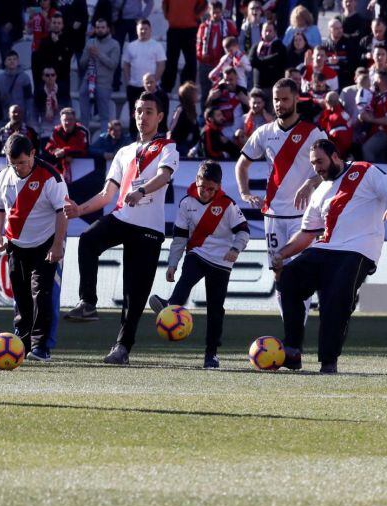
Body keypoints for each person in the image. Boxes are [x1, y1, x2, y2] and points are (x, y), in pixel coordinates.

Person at [63, 92, 178, 366]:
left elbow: (164, 177)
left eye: (149, 111)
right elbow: (106, 195)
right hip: (123, 217)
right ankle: (88, 302)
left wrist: (141, 191)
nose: (142, 116)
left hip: (148, 227)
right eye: (139, 110)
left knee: (134, 295)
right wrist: (79, 210)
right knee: (88, 240)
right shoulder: (124, 152)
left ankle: (122, 348)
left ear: (160, 116)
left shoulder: (167, 147)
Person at [272, 139, 387, 374]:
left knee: (335, 300)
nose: (316, 168)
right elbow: (307, 234)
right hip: (325, 248)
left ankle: (328, 362)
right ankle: (292, 351)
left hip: (358, 250)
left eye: (320, 162)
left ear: (335, 156)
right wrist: (281, 255)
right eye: (313, 164)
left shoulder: (364, 171)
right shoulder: (320, 191)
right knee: (289, 279)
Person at [235, 78, 327, 315]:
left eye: (284, 99)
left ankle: (297, 331)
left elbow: (330, 168)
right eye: (276, 99)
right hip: (274, 214)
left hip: (303, 215)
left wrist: (310, 183)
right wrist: (245, 193)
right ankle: (289, 325)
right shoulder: (264, 133)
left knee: (302, 272)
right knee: (279, 271)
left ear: (296, 99)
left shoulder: (312, 132)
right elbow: (241, 165)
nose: (279, 104)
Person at [148, 160, 250, 369]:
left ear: (219, 187)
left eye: (211, 189)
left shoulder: (228, 205)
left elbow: (243, 231)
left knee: (215, 309)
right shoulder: (186, 203)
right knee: (185, 281)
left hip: (222, 262)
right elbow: (179, 237)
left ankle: (211, 354)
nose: (206, 192)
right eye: (203, 187)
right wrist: (172, 264)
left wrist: (235, 249)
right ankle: (171, 307)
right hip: (197, 253)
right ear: (197, 181)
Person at [121, 19, 165, 136]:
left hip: (151, 88)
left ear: (150, 30)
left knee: (151, 115)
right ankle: (133, 138)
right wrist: (128, 80)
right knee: (134, 114)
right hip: (134, 86)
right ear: (137, 30)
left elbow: (161, 64)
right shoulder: (131, 46)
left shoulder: (156, 46)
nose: (143, 31)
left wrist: (154, 81)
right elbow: (125, 64)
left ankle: (153, 138)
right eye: (141, 29)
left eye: (146, 29)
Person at [78, 17, 120, 127]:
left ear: (108, 29)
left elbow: (113, 64)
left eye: (102, 27)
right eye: (97, 28)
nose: (100, 30)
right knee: (84, 116)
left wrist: (98, 54)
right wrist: (88, 55)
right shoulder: (90, 42)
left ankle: (103, 141)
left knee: (104, 117)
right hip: (88, 81)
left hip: (104, 84)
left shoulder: (114, 44)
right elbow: (82, 64)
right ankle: (84, 140)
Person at [161, 0, 202, 94]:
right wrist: (169, 17)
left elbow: (203, 5)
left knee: (191, 60)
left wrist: (195, 16)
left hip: (191, 30)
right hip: (174, 29)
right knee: (171, 60)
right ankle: (166, 88)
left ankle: (188, 88)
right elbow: (164, 4)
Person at [361, 69, 387, 162]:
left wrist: (370, 120)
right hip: (372, 132)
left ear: (380, 80)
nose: (373, 82)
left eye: (375, 79)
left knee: (367, 149)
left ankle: (371, 174)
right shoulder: (375, 96)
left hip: (383, 134)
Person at [44, 107, 89, 179]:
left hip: (80, 167)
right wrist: (56, 152)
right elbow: (49, 147)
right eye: (65, 120)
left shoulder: (82, 131)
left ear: (75, 120)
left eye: (70, 120)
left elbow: (84, 149)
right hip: (60, 164)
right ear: (61, 121)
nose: (67, 123)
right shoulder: (56, 131)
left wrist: (65, 151)